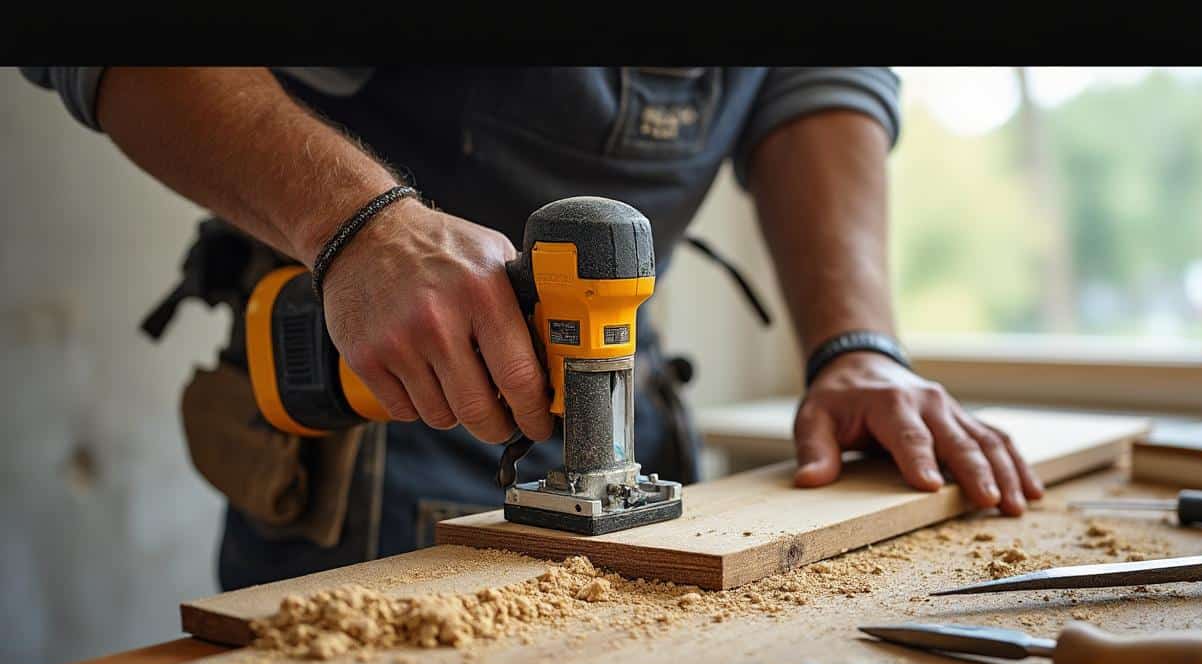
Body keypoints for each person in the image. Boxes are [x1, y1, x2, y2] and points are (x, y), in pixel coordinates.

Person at [21, 67, 1043, 590]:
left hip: (621, 429)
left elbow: (812, 84)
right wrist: (359, 227)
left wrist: (852, 343)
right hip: (368, 430)